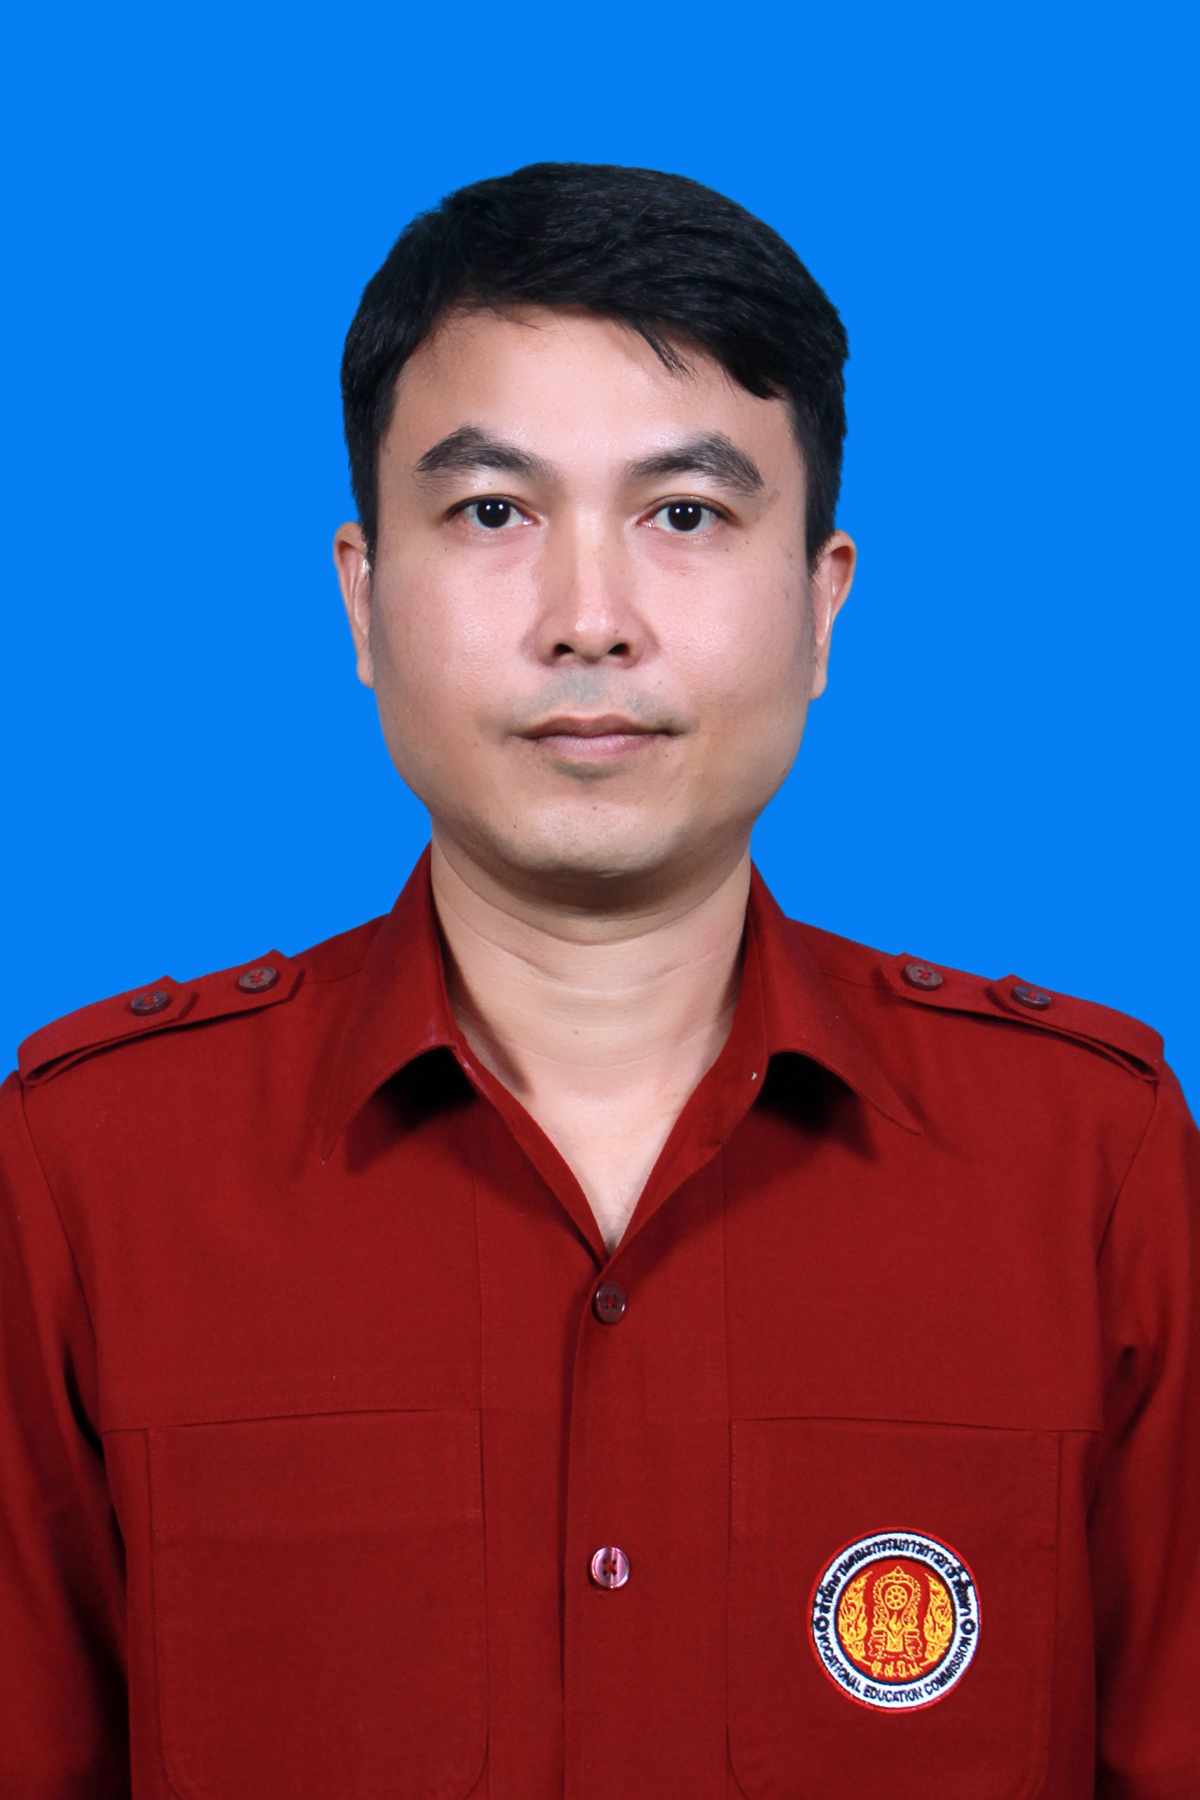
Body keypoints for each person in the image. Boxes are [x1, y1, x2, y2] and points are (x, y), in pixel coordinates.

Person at [1, 162, 1196, 1800]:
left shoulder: (1090, 1168)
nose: (589, 621)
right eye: (493, 512)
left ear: (822, 601)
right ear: (363, 597)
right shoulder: (90, 1175)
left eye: (685, 515)